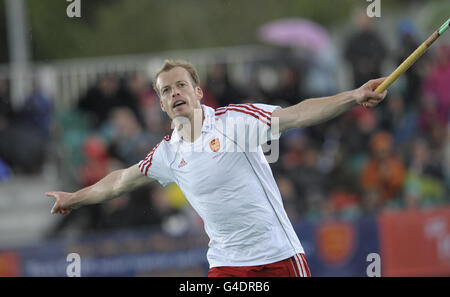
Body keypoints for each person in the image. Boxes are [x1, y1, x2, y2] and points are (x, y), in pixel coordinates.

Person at [46, 59, 387, 277]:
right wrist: (74, 198)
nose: (175, 92)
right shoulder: (167, 153)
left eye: (181, 85)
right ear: (163, 105)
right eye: (166, 91)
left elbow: (297, 114)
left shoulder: (236, 121)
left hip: (278, 257)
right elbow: (119, 181)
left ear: (197, 92)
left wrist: (352, 97)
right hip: (226, 265)